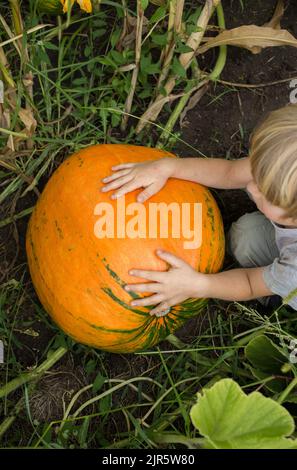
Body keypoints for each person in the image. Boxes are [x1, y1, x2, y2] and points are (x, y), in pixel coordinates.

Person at [101, 104, 297, 317]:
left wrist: (198, 285)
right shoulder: (282, 164)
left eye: (263, 193)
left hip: (292, 276)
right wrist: (169, 167)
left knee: (247, 247)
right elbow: (229, 172)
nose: (250, 187)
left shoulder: (294, 271)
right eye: (255, 175)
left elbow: (249, 283)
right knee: (245, 235)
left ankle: (275, 296)